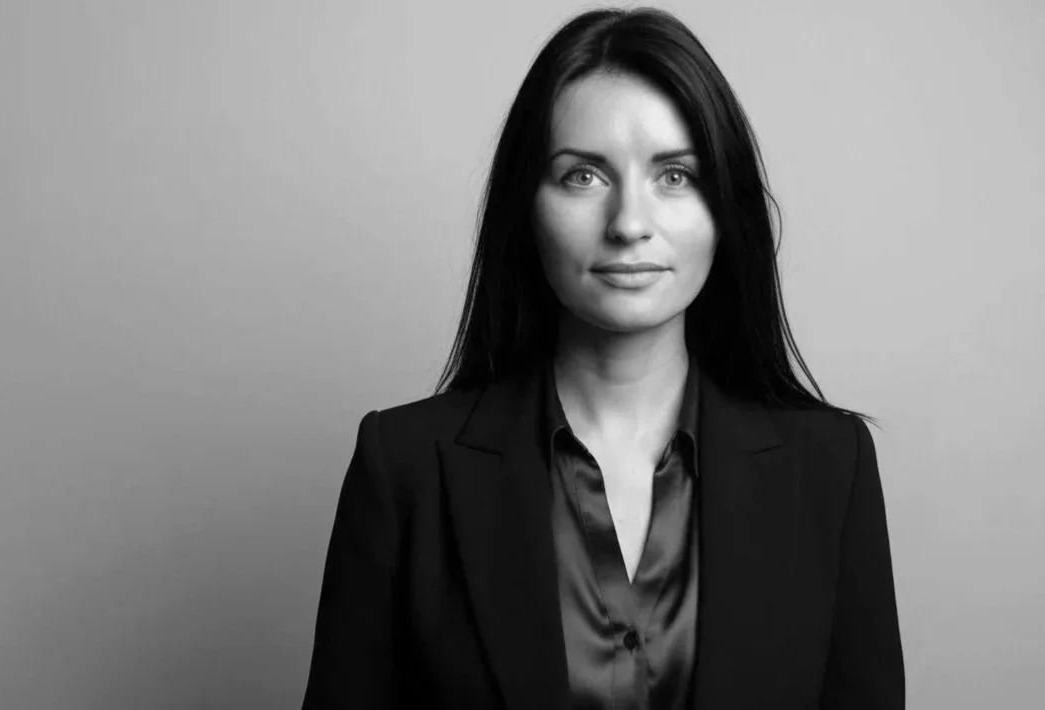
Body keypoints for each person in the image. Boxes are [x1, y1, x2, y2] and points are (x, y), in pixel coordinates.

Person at [302, 6, 904, 709]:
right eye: (583, 176)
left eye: (675, 175)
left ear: (724, 207)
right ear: (525, 207)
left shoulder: (831, 468)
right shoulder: (403, 467)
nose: (629, 224)